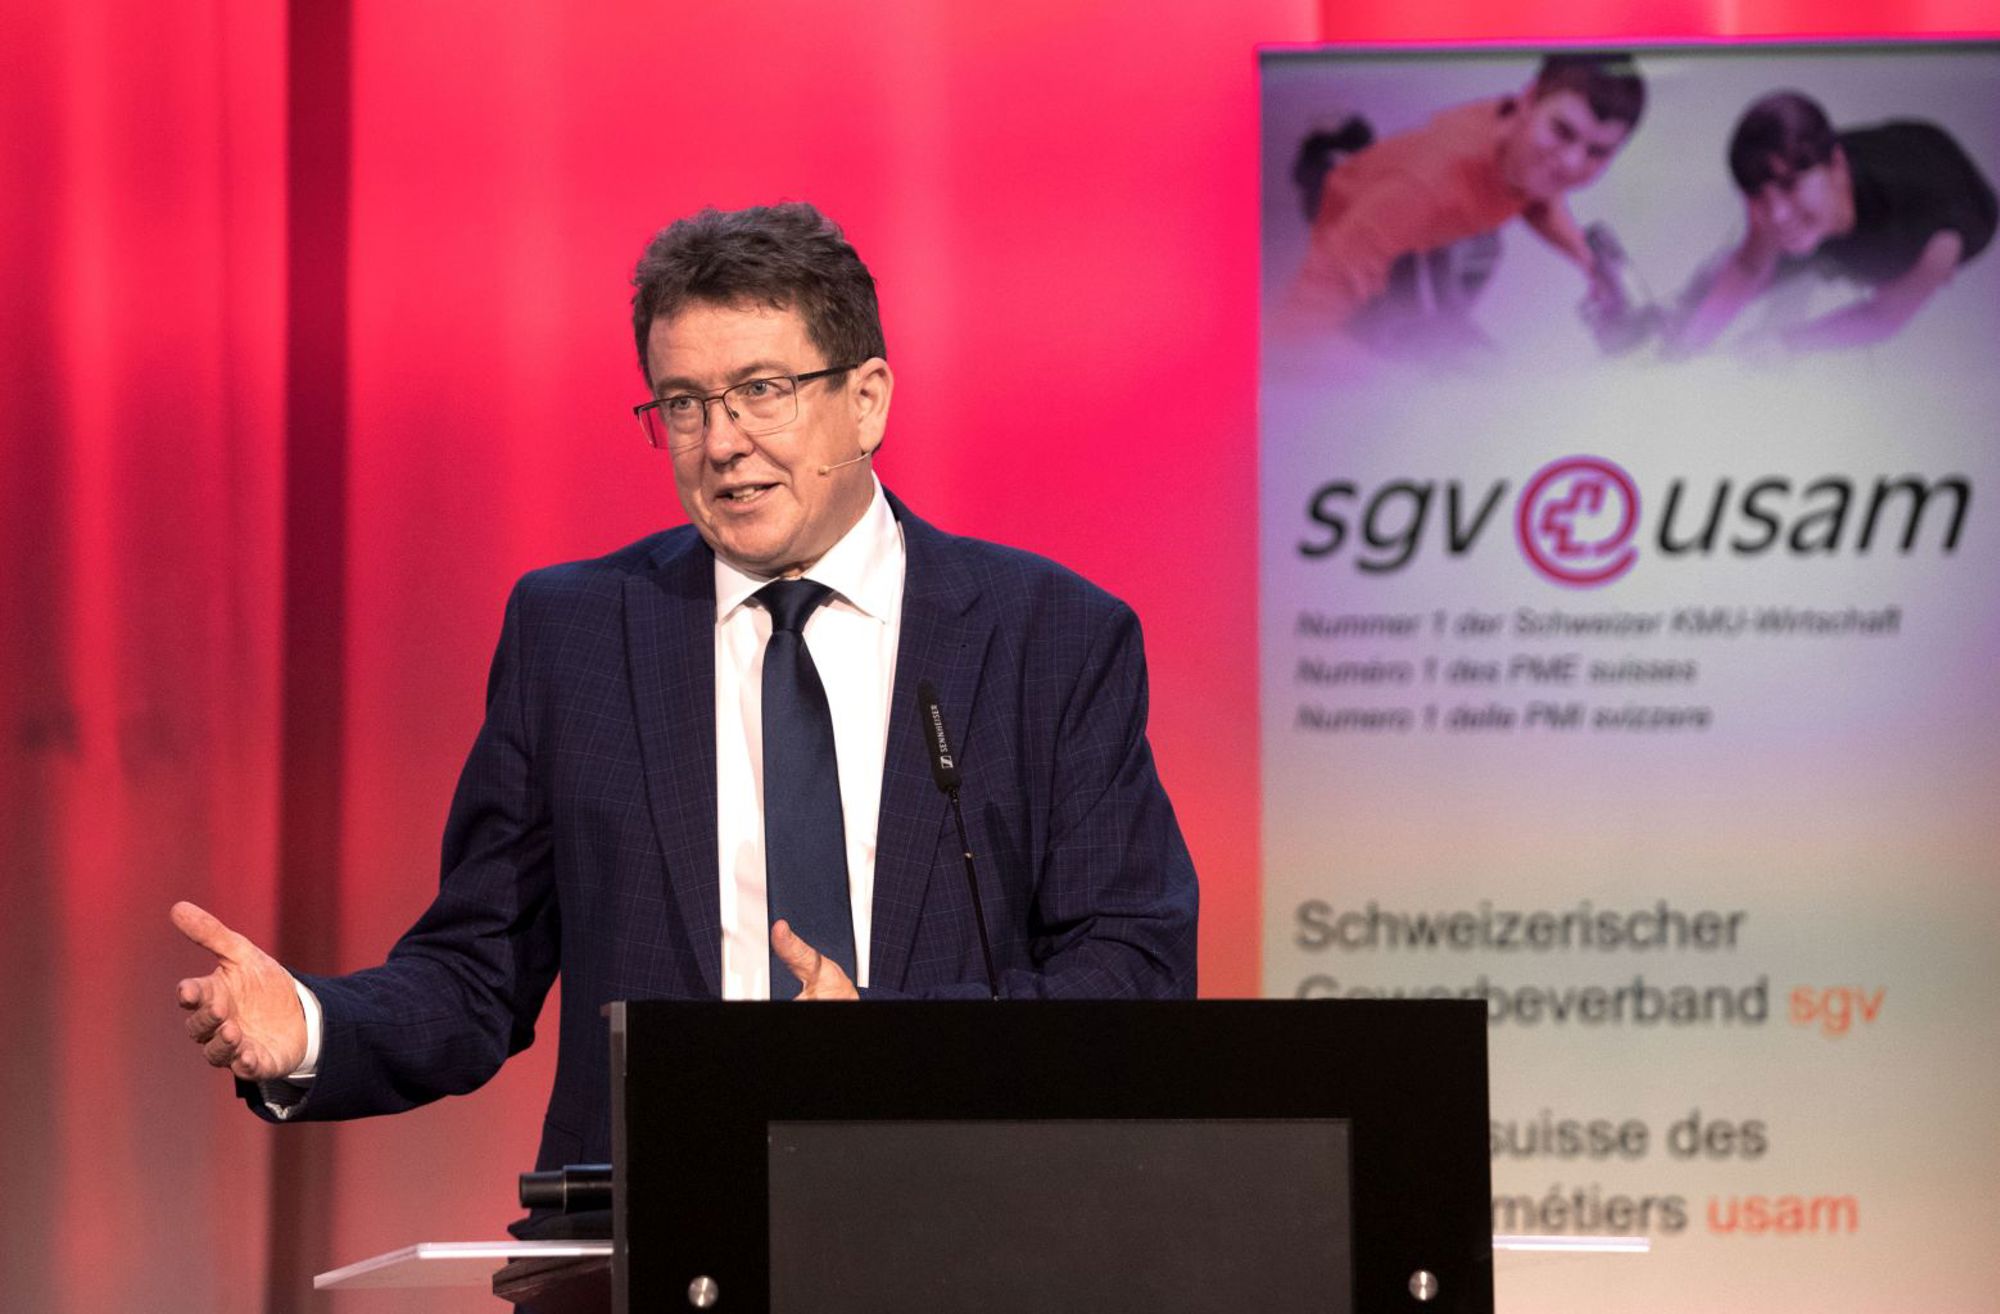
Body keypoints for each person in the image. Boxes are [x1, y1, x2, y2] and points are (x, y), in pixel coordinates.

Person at [172, 204, 1199, 1183]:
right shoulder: (574, 633)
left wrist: (894, 1043)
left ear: (868, 399)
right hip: (656, 1226)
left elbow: (1133, 966)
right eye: (683, 404)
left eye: (762, 390)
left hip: (952, 1213)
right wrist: (313, 1027)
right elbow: (478, 969)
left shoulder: (1048, 636)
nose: (720, 443)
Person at [1275, 52, 1647, 349]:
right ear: (1528, 99)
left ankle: (1345, 150)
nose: (1571, 163)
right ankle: (1325, 160)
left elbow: (1536, 197)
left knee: (1479, 248)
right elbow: (1309, 305)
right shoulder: (1429, 185)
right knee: (1446, 314)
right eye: (1563, 131)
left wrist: (1585, 258)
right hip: (1365, 221)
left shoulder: (1523, 149)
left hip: (1402, 210)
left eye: (1597, 151)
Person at [1666, 91, 1997, 355]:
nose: (1777, 214)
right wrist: (1693, 340)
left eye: (1788, 185)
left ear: (1837, 165)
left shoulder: (1935, 233)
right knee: (1728, 275)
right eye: (1757, 194)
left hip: (1951, 205)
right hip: (1874, 170)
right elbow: (1748, 266)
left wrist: (1790, 343)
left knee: (1800, 285)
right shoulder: (1790, 187)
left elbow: (1882, 318)